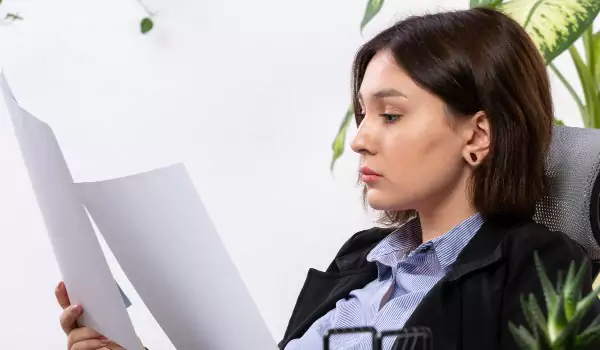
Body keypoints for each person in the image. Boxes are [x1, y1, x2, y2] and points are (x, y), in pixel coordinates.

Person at [56, 7, 600, 350]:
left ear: (477, 135)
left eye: (390, 115)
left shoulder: (539, 270)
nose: (361, 138)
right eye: (361, 115)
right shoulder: (360, 260)